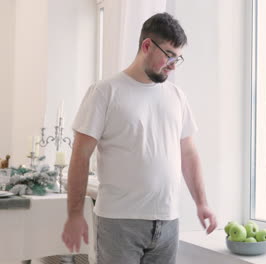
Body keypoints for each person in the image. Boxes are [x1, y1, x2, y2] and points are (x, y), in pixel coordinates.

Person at [61, 12, 217, 264]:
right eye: (169, 55)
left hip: (168, 222)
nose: (174, 65)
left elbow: (188, 153)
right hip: (118, 223)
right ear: (147, 46)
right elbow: (80, 155)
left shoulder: (177, 96)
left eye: (178, 58)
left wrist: (202, 203)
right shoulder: (105, 92)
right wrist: (75, 214)